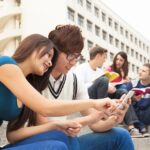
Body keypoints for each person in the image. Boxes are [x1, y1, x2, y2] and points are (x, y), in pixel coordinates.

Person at [6, 25, 133, 150]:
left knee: (121, 135)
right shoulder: (34, 76)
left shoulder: (74, 79)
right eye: (70, 55)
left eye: (76, 57)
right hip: (46, 140)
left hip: (66, 140)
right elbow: (45, 115)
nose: (73, 62)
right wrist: (93, 107)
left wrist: (115, 118)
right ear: (55, 51)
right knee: (60, 139)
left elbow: (97, 124)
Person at [124, 63, 150, 137]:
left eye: (143, 71)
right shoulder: (132, 84)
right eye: (140, 70)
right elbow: (124, 99)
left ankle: (141, 127)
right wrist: (133, 98)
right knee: (126, 101)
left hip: (147, 114)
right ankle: (141, 127)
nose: (140, 72)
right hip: (135, 113)